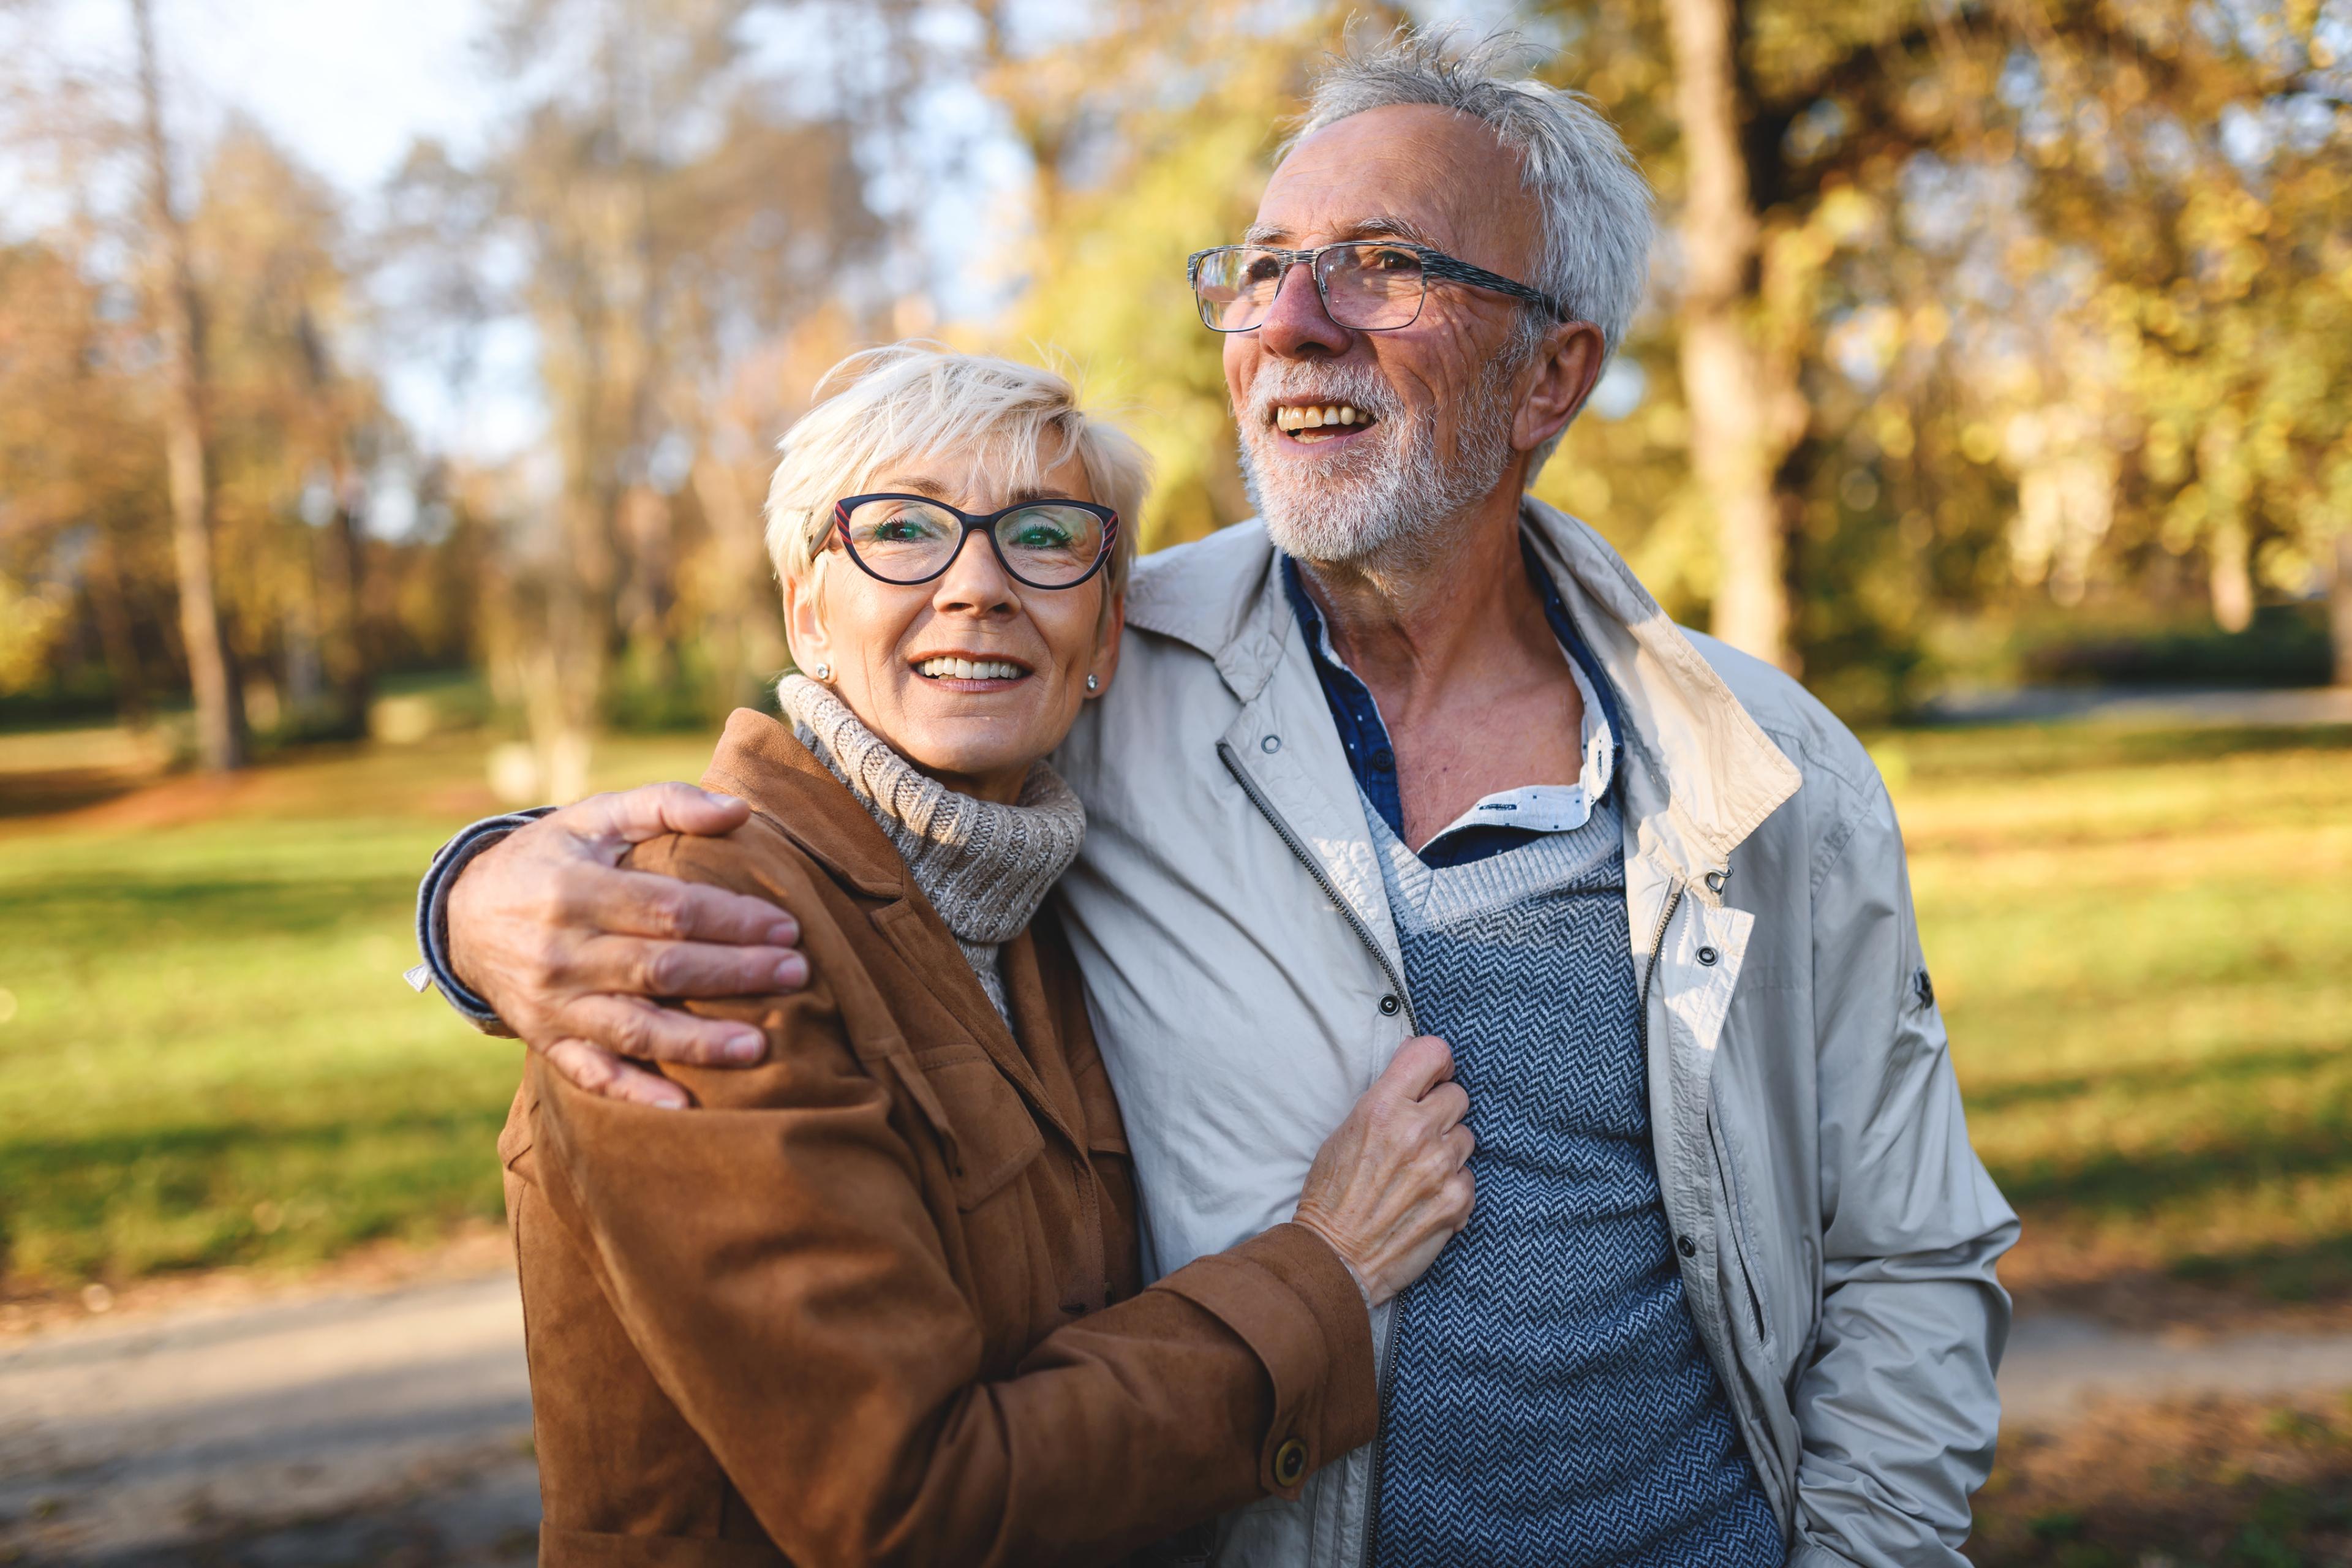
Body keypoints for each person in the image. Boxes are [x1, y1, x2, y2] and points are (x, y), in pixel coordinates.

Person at [413, 29, 2019, 1568]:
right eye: (1259, 268)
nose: (1291, 320)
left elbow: (1907, 1251)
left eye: (1383, 265)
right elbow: (827, 812)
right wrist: (476, 899)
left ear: (1552, 376)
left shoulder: (1762, 767)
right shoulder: (1103, 674)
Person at [491, 346, 1476, 1567]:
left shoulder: (1047, 914)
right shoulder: (698, 927)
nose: (978, 584)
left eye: (1047, 536)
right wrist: (1320, 1268)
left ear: (1106, 626)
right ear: (808, 609)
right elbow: (911, 1508)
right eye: (902, 529)